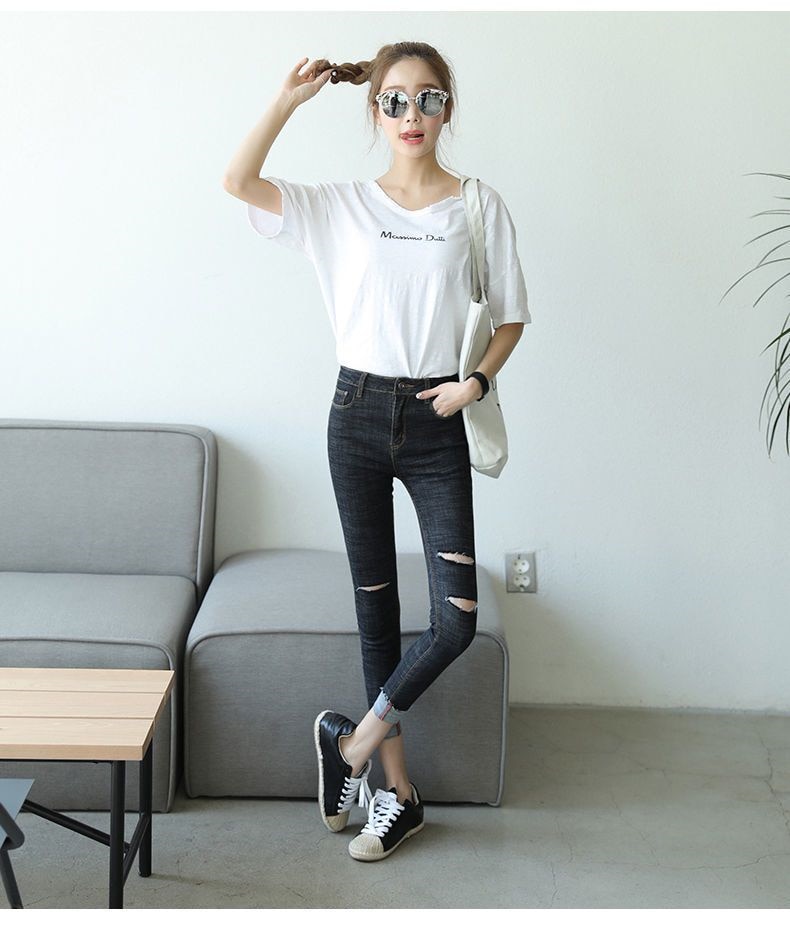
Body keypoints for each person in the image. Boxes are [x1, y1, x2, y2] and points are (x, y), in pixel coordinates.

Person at [223, 40, 531, 863]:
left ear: (447, 109)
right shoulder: (341, 207)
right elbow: (238, 181)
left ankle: (350, 744)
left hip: (436, 417)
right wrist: (288, 101)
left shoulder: (477, 206)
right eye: (394, 100)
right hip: (355, 413)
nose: (411, 115)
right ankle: (398, 795)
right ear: (375, 110)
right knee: (376, 611)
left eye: (428, 98)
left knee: (455, 619)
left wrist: (474, 384)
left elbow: (510, 316)